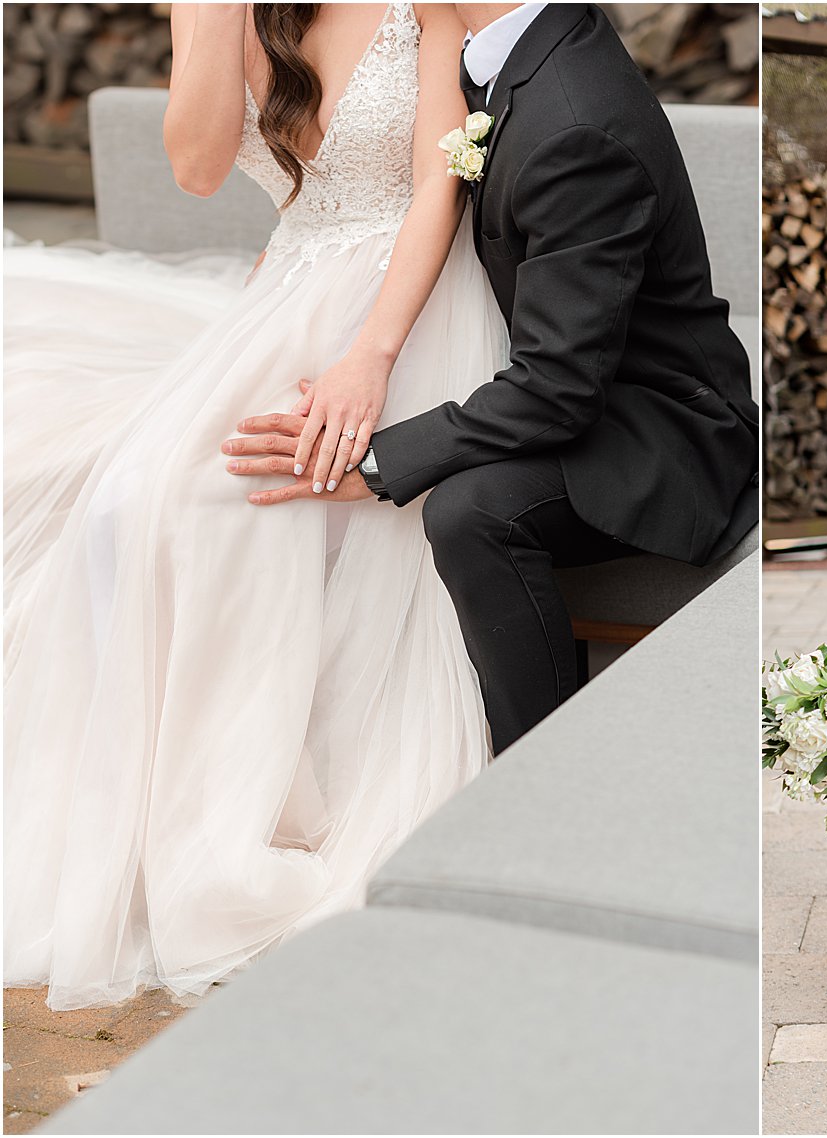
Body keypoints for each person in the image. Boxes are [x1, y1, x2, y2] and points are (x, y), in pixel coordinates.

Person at [5, 2, 505, 1010]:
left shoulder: (426, 9)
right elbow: (195, 165)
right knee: (124, 498)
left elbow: (436, 189)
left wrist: (368, 357)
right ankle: (144, 825)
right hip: (288, 286)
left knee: (225, 503)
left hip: (410, 298)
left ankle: (247, 818)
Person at [224, 2, 761, 752]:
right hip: (563, 370)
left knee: (469, 510)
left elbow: (558, 388)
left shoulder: (575, 122)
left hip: (661, 430)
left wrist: (376, 462)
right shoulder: (506, 49)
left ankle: (537, 772)